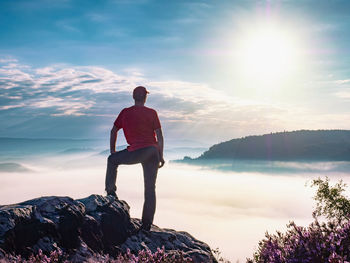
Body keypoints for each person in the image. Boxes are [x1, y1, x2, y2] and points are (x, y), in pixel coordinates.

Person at [105, 86, 165, 231]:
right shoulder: (152, 113)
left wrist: (113, 150)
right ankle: (146, 225)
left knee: (112, 160)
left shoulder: (125, 113)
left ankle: (111, 192)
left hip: (136, 151)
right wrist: (161, 155)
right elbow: (160, 136)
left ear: (133, 97)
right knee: (150, 189)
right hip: (152, 152)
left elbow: (113, 131)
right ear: (145, 97)